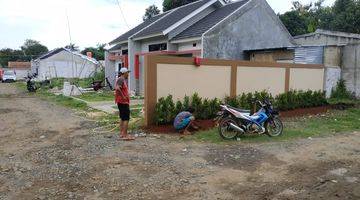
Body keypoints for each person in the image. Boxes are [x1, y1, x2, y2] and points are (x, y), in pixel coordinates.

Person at [115, 68, 134, 141]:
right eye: (127, 73)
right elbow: (117, 88)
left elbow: (119, 89)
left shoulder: (121, 80)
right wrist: (123, 96)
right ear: (124, 73)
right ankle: (125, 135)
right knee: (126, 118)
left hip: (121, 102)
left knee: (122, 118)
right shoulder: (121, 79)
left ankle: (121, 133)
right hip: (123, 102)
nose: (128, 74)